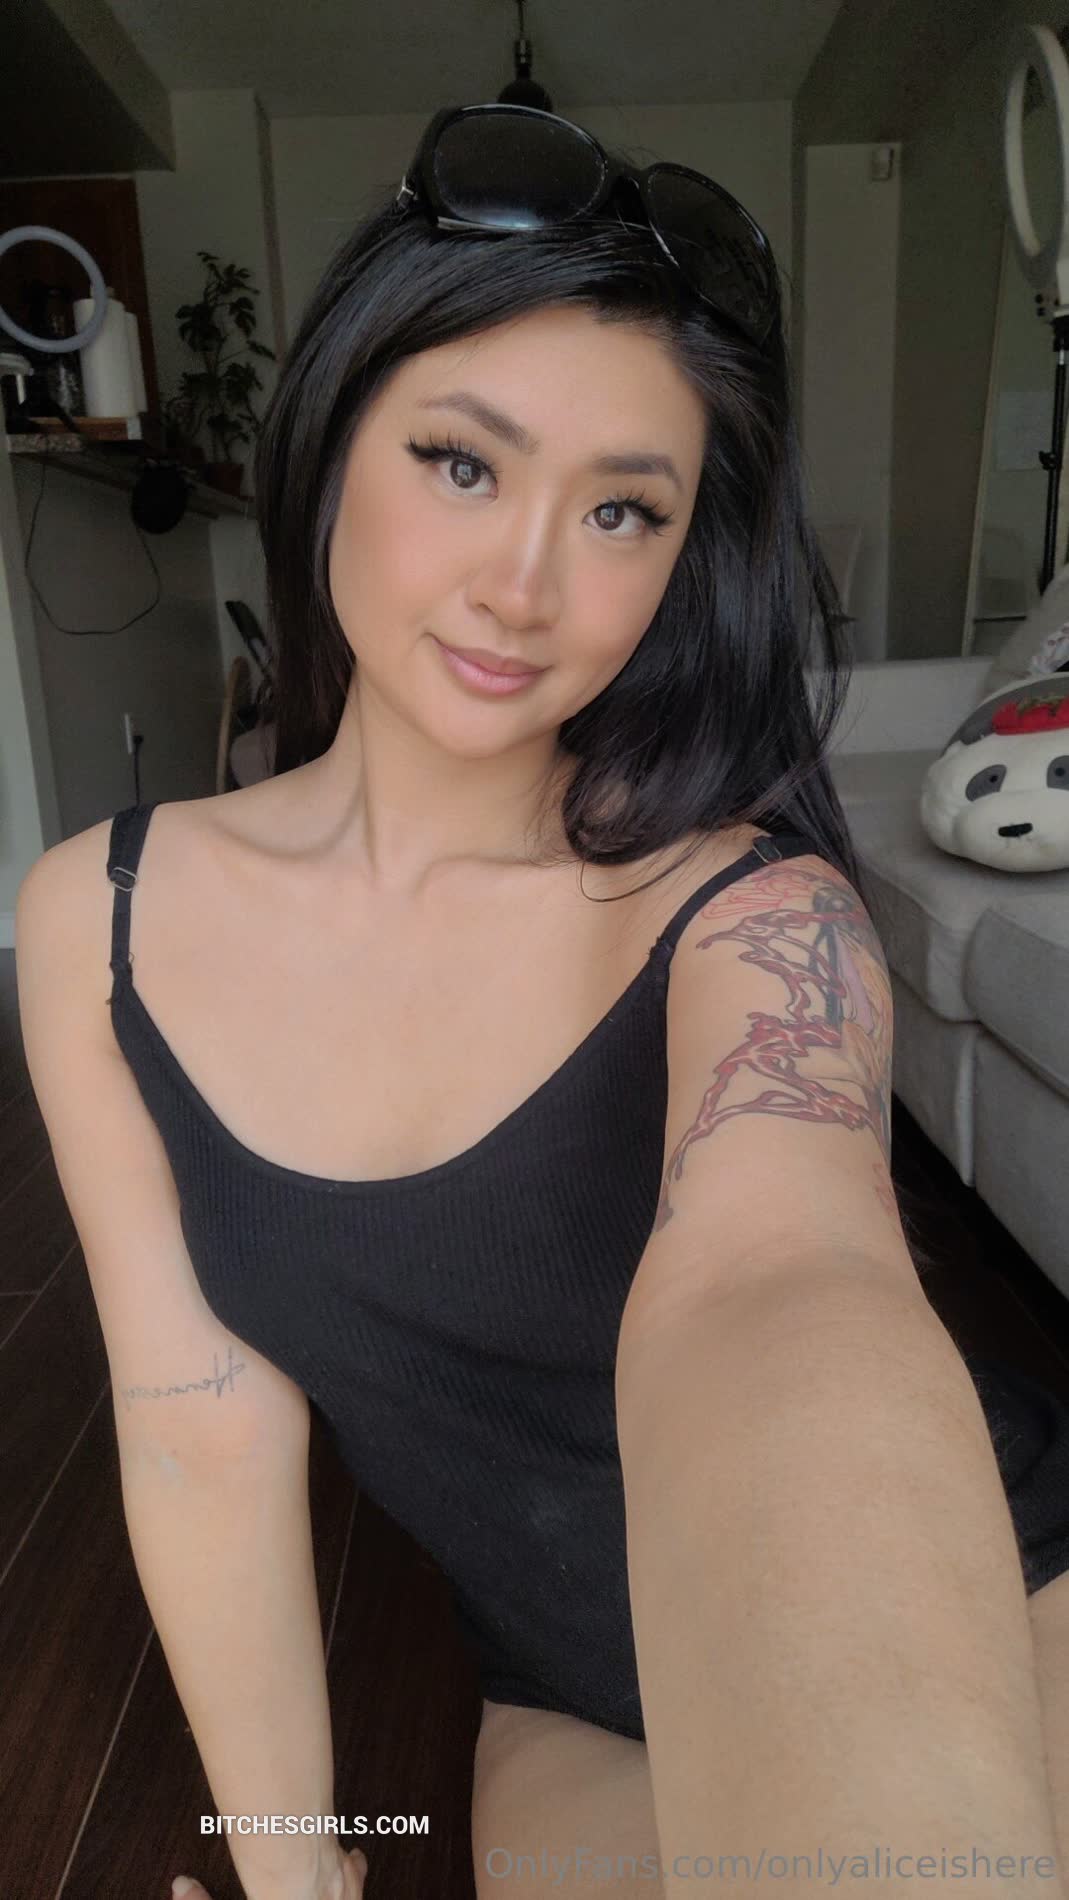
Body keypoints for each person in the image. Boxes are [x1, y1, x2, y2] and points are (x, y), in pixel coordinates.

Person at [15, 105, 1069, 1900]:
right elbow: (197, 1420)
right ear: (332, 435)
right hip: (574, 1701)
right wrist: (292, 1871)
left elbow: (781, 1281)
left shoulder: (755, 914)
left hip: (989, 1606)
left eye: (621, 510)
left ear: (679, 555)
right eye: (460, 463)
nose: (524, 583)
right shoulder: (93, 921)